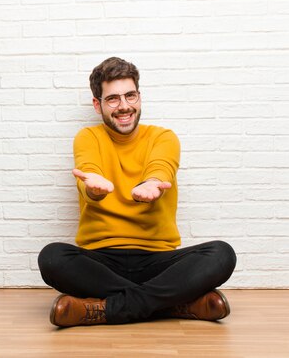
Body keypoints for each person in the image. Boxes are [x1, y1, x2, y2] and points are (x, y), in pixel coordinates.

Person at [38, 57, 237, 327]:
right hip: (102, 260)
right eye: (113, 99)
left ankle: (100, 309)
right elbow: (89, 175)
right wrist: (94, 190)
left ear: (139, 97)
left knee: (222, 254)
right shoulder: (88, 137)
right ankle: (175, 304)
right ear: (97, 105)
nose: (124, 106)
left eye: (130, 95)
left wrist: (152, 183)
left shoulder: (163, 136)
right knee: (52, 257)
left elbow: (161, 167)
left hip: (158, 260)